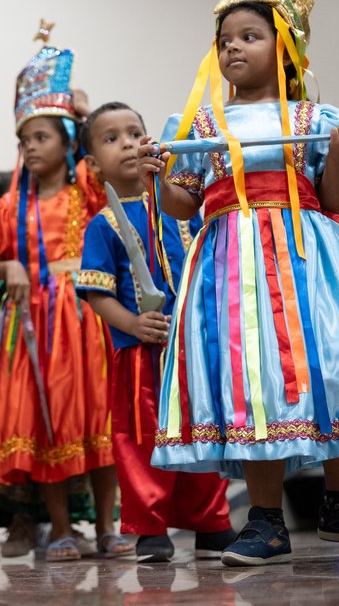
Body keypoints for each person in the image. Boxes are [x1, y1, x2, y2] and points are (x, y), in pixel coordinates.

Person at [137, 0, 339, 566]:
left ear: (284, 45)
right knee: (255, 381)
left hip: (311, 259)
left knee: (336, 363)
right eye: (225, 42)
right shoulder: (198, 124)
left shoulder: (316, 120)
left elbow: (330, 199)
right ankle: (266, 521)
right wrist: (159, 172)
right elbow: (179, 207)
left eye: (250, 37)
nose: (234, 50)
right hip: (229, 268)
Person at [0, 28, 132, 561]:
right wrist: (11, 266)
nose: (31, 147)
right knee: (47, 425)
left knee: (98, 421)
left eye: (42, 137)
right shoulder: (6, 210)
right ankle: (62, 529)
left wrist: (83, 114)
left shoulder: (85, 188)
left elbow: (105, 160)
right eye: (25, 140)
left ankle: (108, 526)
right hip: (35, 324)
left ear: (68, 142)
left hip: (86, 318)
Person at [78, 101, 235, 562]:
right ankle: (149, 528)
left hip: (190, 349)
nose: (127, 143)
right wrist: (132, 324)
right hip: (139, 354)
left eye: (134, 133)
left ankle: (212, 522)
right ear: (91, 164)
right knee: (141, 437)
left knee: (202, 429)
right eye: (111, 139)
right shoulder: (102, 224)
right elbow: (95, 293)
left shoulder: (179, 208)